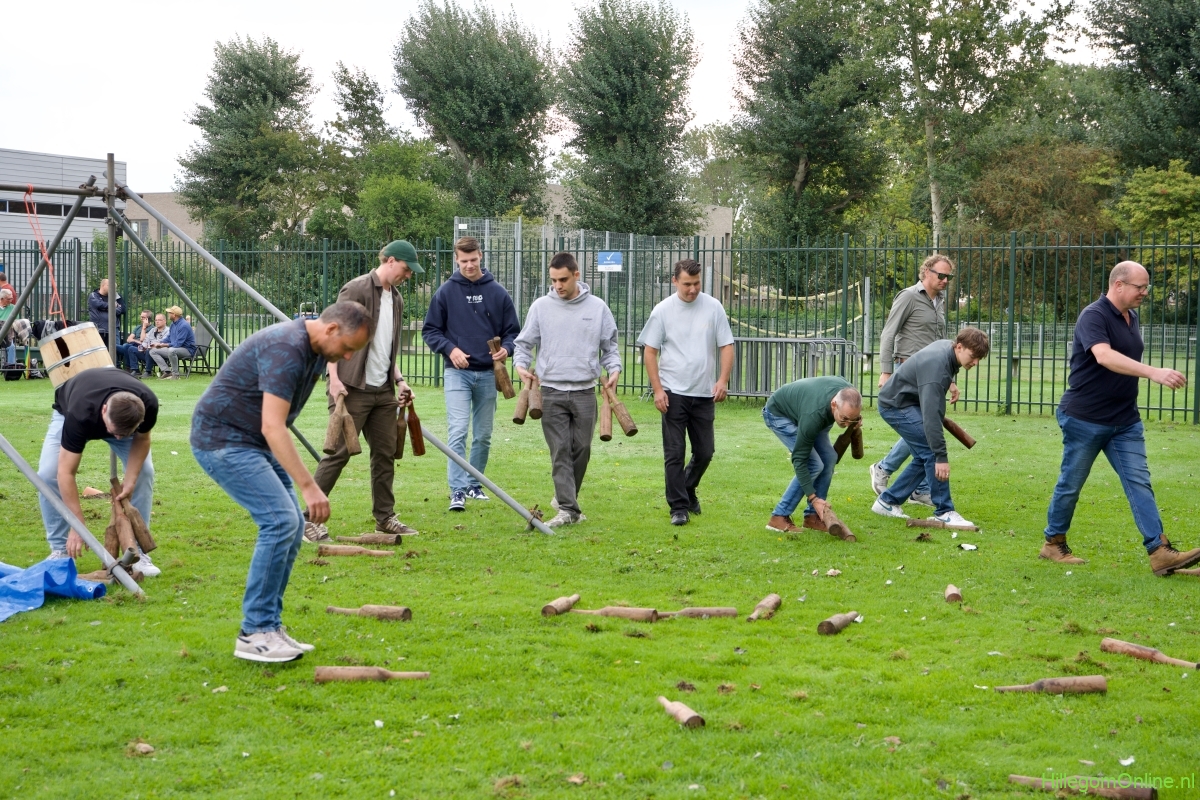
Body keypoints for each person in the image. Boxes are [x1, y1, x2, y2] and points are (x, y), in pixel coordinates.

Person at [191, 301, 371, 663]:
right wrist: (309, 486)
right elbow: (273, 425)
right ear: (331, 329)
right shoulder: (286, 347)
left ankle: (268, 627)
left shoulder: (316, 347)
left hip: (251, 442)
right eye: (348, 348)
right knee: (280, 522)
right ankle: (254, 633)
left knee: (291, 526)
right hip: (223, 440)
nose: (349, 357)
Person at [1040, 261, 1200, 575]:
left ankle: (1160, 551)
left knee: (1139, 482)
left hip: (1124, 421)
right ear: (1118, 285)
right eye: (1140, 287)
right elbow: (1104, 355)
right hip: (1085, 419)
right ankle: (1053, 543)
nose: (1145, 292)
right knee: (1071, 484)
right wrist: (1153, 372)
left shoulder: (1132, 317)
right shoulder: (1094, 315)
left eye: (1146, 287)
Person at [306, 241, 422, 544]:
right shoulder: (356, 289)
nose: (408, 276)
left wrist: (400, 380)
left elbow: (386, 348)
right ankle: (307, 520)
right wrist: (334, 379)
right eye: (406, 269)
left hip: (382, 390)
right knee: (338, 453)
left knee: (385, 454)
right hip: (351, 387)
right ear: (391, 261)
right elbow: (331, 332)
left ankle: (385, 518)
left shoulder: (396, 298)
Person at [514, 252, 620, 528]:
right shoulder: (541, 307)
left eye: (563, 279)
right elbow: (524, 344)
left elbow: (610, 347)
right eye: (553, 280)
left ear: (576, 275)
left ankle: (565, 498)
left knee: (582, 448)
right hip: (551, 391)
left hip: (585, 391)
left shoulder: (597, 308)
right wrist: (520, 365)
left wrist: (614, 369)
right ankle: (567, 509)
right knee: (560, 449)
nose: (557, 285)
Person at [422, 236, 521, 511]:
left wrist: (507, 349)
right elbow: (431, 330)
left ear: (481, 256)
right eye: (464, 261)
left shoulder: (497, 292)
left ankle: (474, 485)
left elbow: (513, 332)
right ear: (456, 259)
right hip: (457, 373)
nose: (469, 265)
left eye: (473, 260)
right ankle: (457, 490)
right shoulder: (445, 292)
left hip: (489, 374)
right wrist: (450, 349)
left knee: (483, 435)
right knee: (457, 431)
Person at [36, 367, 160, 576]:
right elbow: (65, 473)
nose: (118, 438)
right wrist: (77, 525)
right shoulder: (80, 413)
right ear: (104, 410)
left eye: (123, 434)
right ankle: (60, 551)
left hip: (119, 416)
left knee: (144, 472)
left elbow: (142, 439)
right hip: (70, 409)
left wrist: (130, 480)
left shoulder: (147, 404)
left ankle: (138, 553)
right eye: (114, 433)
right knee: (48, 473)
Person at [637, 258, 734, 525]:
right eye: (687, 284)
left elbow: (726, 345)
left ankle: (688, 488)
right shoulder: (662, 311)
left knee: (705, 452)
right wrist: (658, 390)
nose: (693, 289)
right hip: (673, 392)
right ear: (675, 281)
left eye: (697, 283)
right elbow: (650, 351)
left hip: (703, 393)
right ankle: (678, 507)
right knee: (675, 453)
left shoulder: (713, 307)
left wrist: (722, 380)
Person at [871, 328, 989, 527]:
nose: (976, 362)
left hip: (906, 402)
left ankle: (887, 502)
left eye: (979, 358)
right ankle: (944, 511)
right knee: (931, 452)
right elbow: (932, 418)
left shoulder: (948, 349)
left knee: (923, 455)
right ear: (959, 347)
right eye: (973, 356)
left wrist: (950, 382)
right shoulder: (937, 369)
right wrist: (941, 457)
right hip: (896, 406)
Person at [870, 254, 957, 507]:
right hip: (907, 371)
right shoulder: (908, 296)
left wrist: (950, 379)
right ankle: (884, 468)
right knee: (922, 428)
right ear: (926, 271)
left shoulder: (939, 301)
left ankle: (919, 489)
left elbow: (943, 344)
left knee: (923, 428)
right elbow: (888, 334)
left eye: (949, 277)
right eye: (941, 275)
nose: (945, 280)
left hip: (932, 375)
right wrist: (886, 371)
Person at [762, 376, 862, 539]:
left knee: (829, 457)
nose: (846, 424)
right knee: (813, 463)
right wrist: (813, 497)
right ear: (834, 405)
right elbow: (800, 459)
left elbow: (848, 413)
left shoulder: (849, 394)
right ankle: (778, 517)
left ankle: (812, 517)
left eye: (852, 419)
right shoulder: (813, 416)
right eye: (844, 418)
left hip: (811, 413)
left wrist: (854, 421)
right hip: (780, 414)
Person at [149, 305, 196, 379]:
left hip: (187, 350)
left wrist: (163, 345)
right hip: (175, 348)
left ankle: (175, 375)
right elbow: (169, 337)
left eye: (169, 313)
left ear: (174, 315)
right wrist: (159, 343)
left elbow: (178, 344)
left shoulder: (184, 325)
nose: (168, 314)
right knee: (153, 351)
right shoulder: (173, 324)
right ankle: (167, 372)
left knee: (172, 350)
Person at [87, 278, 125, 346]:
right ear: (103, 285)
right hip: (99, 329)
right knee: (99, 349)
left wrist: (105, 308)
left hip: (113, 329)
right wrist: (112, 306)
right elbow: (98, 304)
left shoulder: (115, 296)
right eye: (109, 285)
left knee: (116, 349)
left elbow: (121, 309)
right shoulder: (93, 295)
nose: (112, 288)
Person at [119, 309, 155, 377]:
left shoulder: (152, 328)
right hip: (133, 345)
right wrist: (136, 341)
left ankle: (130, 368)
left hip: (142, 348)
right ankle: (117, 367)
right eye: (141, 317)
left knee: (127, 347)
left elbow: (142, 340)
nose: (141, 318)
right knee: (116, 346)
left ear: (148, 319)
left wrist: (144, 327)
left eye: (143, 317)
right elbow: (129, 339)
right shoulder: (138, 327)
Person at [0, 289, 15, 365]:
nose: (11, 301)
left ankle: (11, 368)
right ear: (2, 299)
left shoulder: (13, 308)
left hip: (9, 334)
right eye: (8, 299)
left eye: (11, 298)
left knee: (11, 347)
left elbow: (16, 322)